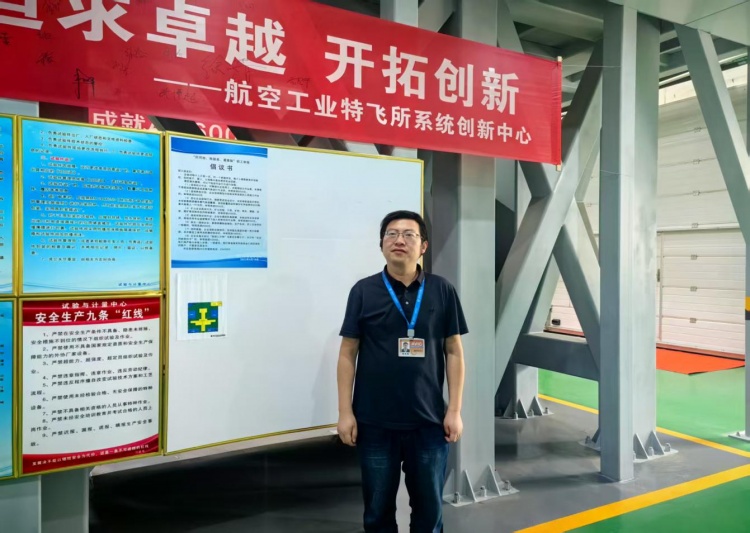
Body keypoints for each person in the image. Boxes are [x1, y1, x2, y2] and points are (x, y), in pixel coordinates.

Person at [337, 210, 468, 533]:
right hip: (374, 422)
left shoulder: (442, 290)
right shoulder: (363, 291)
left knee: (429, 513)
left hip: (428, 422)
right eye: (391, 234)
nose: (399, 240)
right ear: (381, 244)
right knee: (377, 513)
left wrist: (454, 410)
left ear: (423, 246)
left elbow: (454, 351)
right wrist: (345, 412)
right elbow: (347, 353)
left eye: (409, 235)